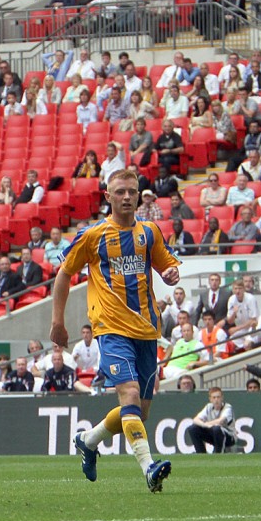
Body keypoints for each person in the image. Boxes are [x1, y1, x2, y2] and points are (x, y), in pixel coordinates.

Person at [50, 169, 179, 492]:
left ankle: (89, 440)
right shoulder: (93, 236)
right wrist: (58, 321)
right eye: (119, 192)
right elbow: (64, 275)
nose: (126, 197)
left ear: (138, 195)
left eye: (131, 192)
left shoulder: (149, 233)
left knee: (138, 412)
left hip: (148, 332)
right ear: (107, 197)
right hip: (110, 329)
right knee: (130, 395)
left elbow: (166, 265)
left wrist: (172, 273)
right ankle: (149, 468)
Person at [186, 387, 236, 454]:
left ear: (222, 398)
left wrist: (207, 424)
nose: (216, 400)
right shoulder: (209, 407)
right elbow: (195, 420)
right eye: (214, 397)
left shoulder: (227, 407)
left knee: (217, 429)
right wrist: (205, 425)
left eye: (218, 397)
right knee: (192, 428)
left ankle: (218, 454)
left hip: (229, 437)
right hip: (213, 433)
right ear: (210, 399)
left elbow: (220, 421)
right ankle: (201, 454)